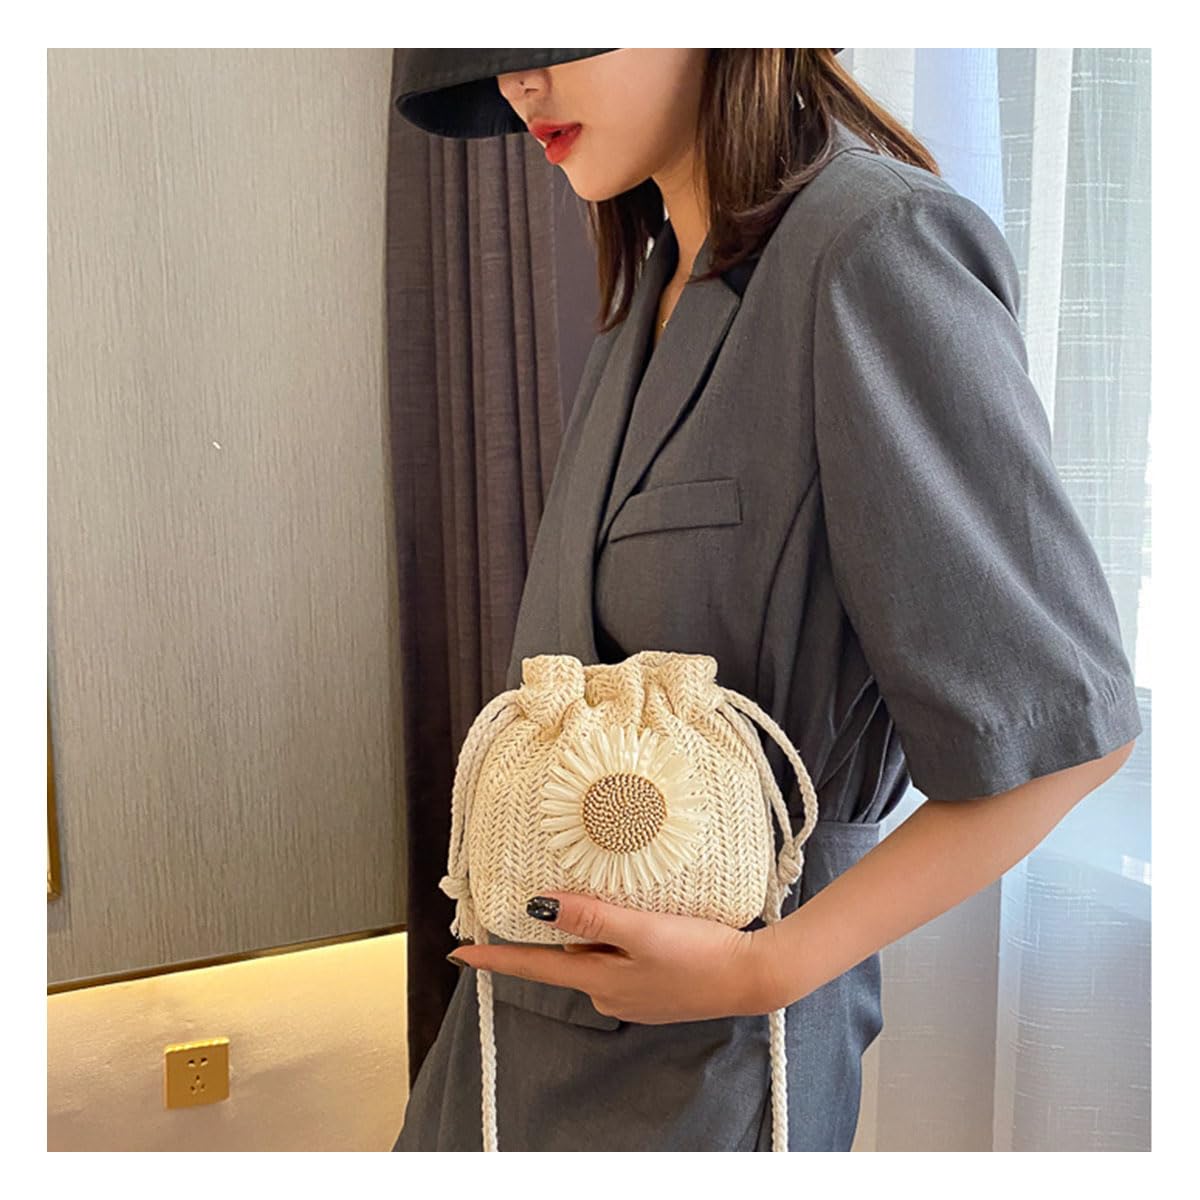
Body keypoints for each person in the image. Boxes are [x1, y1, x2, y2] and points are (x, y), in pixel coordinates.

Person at [389, 49, 1142, 1152]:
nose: (519, 82)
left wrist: (764, 968)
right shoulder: (655, 284)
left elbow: (1064, 732)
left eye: (554, 33)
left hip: (706, 1071)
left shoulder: (871, 247)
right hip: (504, 1056)